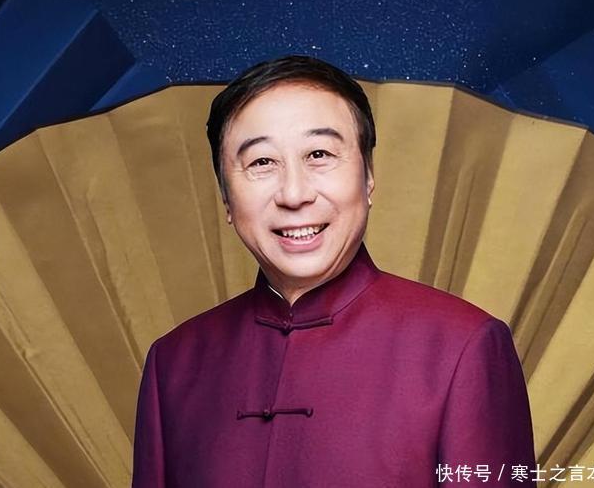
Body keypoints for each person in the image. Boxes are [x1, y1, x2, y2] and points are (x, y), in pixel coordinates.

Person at [131, 55, 535, 487]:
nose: (294, 194)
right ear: (227, 199)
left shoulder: (463, 347)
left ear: (368, 177)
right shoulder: (172, 364)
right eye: (262, 162)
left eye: (319, 154)